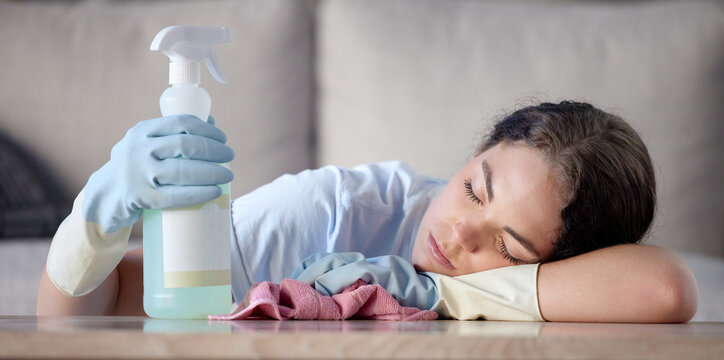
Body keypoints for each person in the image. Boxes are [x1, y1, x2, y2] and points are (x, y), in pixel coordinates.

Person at [37, 101, 698, 322]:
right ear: (473, 155)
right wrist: (93, 221)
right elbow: (102, 305)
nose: (461, 231)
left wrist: (432, 294)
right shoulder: (331, 210)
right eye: (474, 187)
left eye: (512, 247)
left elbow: (664, 289)